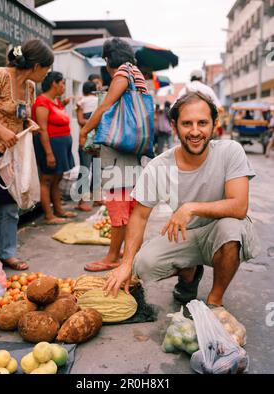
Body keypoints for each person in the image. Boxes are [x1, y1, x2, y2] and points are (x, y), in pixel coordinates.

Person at [103, 91, 260, 310]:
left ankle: (215, 300)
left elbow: (239, 206)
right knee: (143, 264)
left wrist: (191, 208)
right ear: (175, 127)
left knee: (231, 229)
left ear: (214, 124)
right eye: (187, 124)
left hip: (221, 233)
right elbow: (139, 216)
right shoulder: (158, 166)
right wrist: (126, 264)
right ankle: (189, 274)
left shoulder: (230, 152)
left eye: (202, 123)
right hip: (186, 235)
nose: (195, 131)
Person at [0, 39, 54, 270]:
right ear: (36, 65)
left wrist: (29, 122)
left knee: (10, 203)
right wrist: (0, 129)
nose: (46, 74)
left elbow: (19, 114)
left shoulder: (29, 87)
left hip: (9, 155)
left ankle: (6, 252)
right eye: (46, 69)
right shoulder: (0, 75)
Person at [79, 37, 148, 272]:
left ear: (109, 59)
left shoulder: (122, 73)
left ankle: (111, 257)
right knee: (129, 202)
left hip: (121, 148)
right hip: (135, 148)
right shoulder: (137, 73)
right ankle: (128, 255)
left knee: (118, 203)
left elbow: (105, 107)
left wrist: (85, 130)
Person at [32, 71, 76, 225]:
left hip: (61, 146)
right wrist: (49, 153)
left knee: (57, 179)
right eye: (62, 83)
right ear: (54, 84)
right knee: (47, 179)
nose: (64, 86)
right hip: (50, 146)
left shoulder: (55, 101)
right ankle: (49, 215)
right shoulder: (41, 102)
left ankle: (59, 210)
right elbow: (42, 129)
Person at [75, 81, 99, 211]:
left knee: (84, 169)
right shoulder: (99, 101)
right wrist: (95, 122)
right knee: (97, 168)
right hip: (98, 139)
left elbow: (79, 121)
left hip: (84, 139)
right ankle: (96, 198)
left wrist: (88, 122)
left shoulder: (81, 102)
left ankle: (82, 201)